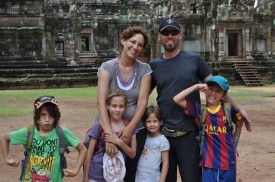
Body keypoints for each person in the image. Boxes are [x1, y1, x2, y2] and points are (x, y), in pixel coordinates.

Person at [149, 16, 252, 182]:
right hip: (164, 133)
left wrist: (239, 109)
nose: (170, 36)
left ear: (180, 35)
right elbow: (142, 97)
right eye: (165, 32)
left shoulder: (194, 60)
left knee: (192, 179)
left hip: (190, 133)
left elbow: (218, 90)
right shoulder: (154, 65)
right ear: (158, 36)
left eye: (174, 32)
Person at [173, 75, 247, 182]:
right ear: (205, 89)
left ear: (223, 95)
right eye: (211, 89)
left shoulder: (228, 110)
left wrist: (235, 142)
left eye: (218, 91)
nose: (213, 93)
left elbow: (240, 122)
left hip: (228, 163)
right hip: (209, 164)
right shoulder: (200, 110)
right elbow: (176, 99)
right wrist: (196, 86)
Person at [0, 95, 87, 181]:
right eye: (43, 115)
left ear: (56, 116)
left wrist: (76, 170)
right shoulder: (28, 132)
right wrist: (7, 159)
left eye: (51, 115)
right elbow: (4, 138)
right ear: (37, 116)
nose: (47, 119)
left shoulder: (62, 133)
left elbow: (83, 149)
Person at [96, 26, 152, 158]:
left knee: (130, 172)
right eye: (132, 42)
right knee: (101, 169)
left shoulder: (145, 69)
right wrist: (109, 136)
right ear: (123, 41)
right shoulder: (107, 67)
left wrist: (129, 128)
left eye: (140, 45)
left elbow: (142, 103)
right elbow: (101, 103)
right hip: (106, 127)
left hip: (132, 131)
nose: (135, 47)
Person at [83, 89, 137, 182]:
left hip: (117, 177)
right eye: (114, 106)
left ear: (125, 107)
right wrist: (85, 177)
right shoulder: (99, 126)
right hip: (96, 176)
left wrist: (119, 142)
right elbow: (89, 154)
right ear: (107, 106)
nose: (117, 110)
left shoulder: (129, 127)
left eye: (121, 106)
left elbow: (132, 154)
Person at [135, 105, 169, 182]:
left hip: (152, 177)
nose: (152, 124)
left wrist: (162, 180)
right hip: (139, 174)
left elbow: (165, 162)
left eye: (155, 121)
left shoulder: (163, 141)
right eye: (149, 121)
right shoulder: (144, 137)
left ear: (161, 122)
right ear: (144, 122)